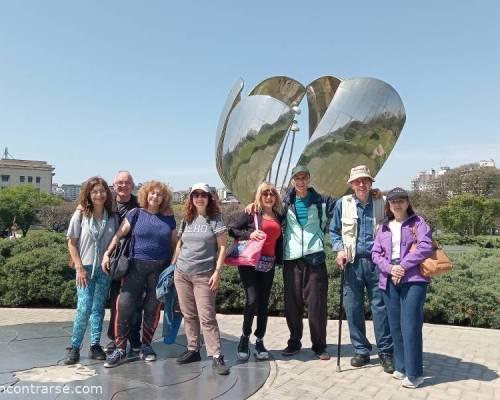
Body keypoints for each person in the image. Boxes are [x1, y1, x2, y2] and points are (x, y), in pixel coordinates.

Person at [102, 181, 176, 367]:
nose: (155, 197)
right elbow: (119, 235)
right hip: (135, 267)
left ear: (163, 198)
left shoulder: (169, 218)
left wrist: (173, 266)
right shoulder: (135, 214)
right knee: (124, 304)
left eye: (159, 195)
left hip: (159, 270)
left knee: (152, 308)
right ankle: (120, 349)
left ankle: (146, 346)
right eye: (152, 193)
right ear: (146, 195)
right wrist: (107, 253)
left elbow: (176, 244)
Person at [329, 165, 394, 373]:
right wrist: (339, 250)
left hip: (378, 263)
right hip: (352, 263)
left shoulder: (382, 203)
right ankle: (361, 350)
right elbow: (334, 231)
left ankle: (385, 352)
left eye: (365, 180)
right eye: (357, 181)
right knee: (353, 307)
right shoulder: (343, 204)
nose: (361, 184)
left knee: (381, 308)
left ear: (371, 182)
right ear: (351, 184)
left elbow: (396, 224)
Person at [371, 187, 433, 389]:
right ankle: (401, 365)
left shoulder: (418, 223)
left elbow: (425, 246)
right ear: (388, 205)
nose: (397, 204)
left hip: (413, 278)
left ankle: (415, 374)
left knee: (411, 325)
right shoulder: (383, 227)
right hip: (389, 279)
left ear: (407, 203)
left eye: (401, 200)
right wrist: (391, 269)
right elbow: (375, 254)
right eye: (393, 201)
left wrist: (402, 266)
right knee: (395, 325)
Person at [172, 183, 230, 375]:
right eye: (195, 194)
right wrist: (174, 266)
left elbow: (223, 247)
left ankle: (216, 355)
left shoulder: (215, 219)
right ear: (191, 198)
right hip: (182, 274)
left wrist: (217, 272)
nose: (199, 198)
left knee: (207, 317)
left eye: (203, 194)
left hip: (204, 275)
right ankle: (193, 349)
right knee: (188, 315)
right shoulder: (187, 218)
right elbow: (180, 244)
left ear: (209, 197)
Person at [278, 166, 336, 360]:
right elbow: (266, 211)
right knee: (292, 304)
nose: (300, 181)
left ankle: (319, 346)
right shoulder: (286, 201)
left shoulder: (322, 201)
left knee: (316, 305)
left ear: (309, 179)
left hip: (315, 257)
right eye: (297, 178)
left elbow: (346, 206)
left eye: (304, 178)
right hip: (292, 259)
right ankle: (294, 342)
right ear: (292, 181)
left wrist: (376, 197)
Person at [65, 176, 118, 365]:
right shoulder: (80, 215)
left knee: (98, 309)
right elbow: (72, 243)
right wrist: (79, 267)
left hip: (103, 269)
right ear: (88, 194)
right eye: (94, 191)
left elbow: (116, 240)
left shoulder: (112, 216)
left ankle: (95, 344)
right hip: (85, 268)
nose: (99, 194)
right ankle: (75, 346)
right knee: (84, 307)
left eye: (102, 191)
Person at [228, 182, 283, 361]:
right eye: (265, 193)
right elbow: (233, 229)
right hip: (250, 262)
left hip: (268, 263)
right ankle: (244, 337)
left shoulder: (279, 215)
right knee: (252, 299)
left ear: (276, 197)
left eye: (272, 193)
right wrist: (249, 235)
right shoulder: (252, 213)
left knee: (263, 303)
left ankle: (259, 340)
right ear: (259, 196)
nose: (268, 196)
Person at [104, 171, 142, 355]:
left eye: (127, 182)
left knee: (135, 302)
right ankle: (114, 338)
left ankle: (134, 337)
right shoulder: (107, 204)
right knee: (116, 301)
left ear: (132, 185)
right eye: (120, 182)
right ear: (114, 185)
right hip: (115, 257)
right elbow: (86, 207)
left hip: (136, 257)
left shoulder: (140, 204)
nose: (123, 185)